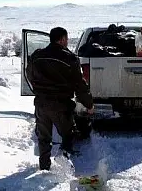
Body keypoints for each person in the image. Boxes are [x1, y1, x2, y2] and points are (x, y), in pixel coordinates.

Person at [26, 27, 94, 171]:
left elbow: (29, 75)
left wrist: (38, 90)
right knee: (67, 135)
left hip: (41, 103)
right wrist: (89, 104)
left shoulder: (37, 56)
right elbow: (79, 85)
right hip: (61, 105)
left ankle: (44, 168)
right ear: (62, 39)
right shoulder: (69, 58)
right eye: (67, 39)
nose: (67, 42)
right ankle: (64, 166)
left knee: (44, 138)